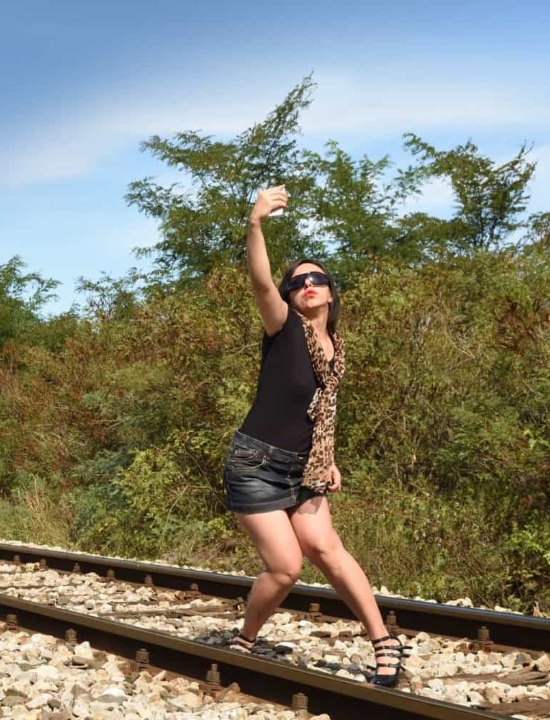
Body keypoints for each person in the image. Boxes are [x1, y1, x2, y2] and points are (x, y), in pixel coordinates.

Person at [222, 185, 406, 687]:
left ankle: (384, 642)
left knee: (328, 549)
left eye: (316, 278)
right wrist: (255, 223)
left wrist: (327, 458)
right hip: (256, 465)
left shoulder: (335, 346)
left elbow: (321, 410)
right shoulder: (283, 328)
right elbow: (261, 284)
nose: (306, 283)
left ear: (330, 291)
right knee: (286, 569)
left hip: (304, 467)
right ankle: (246, 638)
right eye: (297, 280)